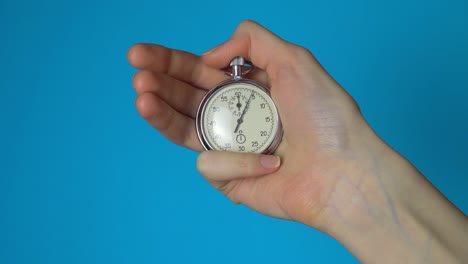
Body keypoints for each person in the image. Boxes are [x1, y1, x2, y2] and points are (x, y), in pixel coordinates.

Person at [127, 20, 468, 263]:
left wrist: (345, 181)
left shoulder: (266, 95)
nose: (243, 115)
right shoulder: (224, 102)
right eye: (239, 109)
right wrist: (347, 196)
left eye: (247, 108)